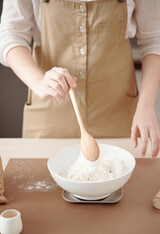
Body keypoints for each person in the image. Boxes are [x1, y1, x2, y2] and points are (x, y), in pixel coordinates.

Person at [0, 0, 160, 158]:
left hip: (119, 115)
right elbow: (11, 35)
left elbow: (154, 39)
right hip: (49, 116)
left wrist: (146, 106)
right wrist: (39, 83)